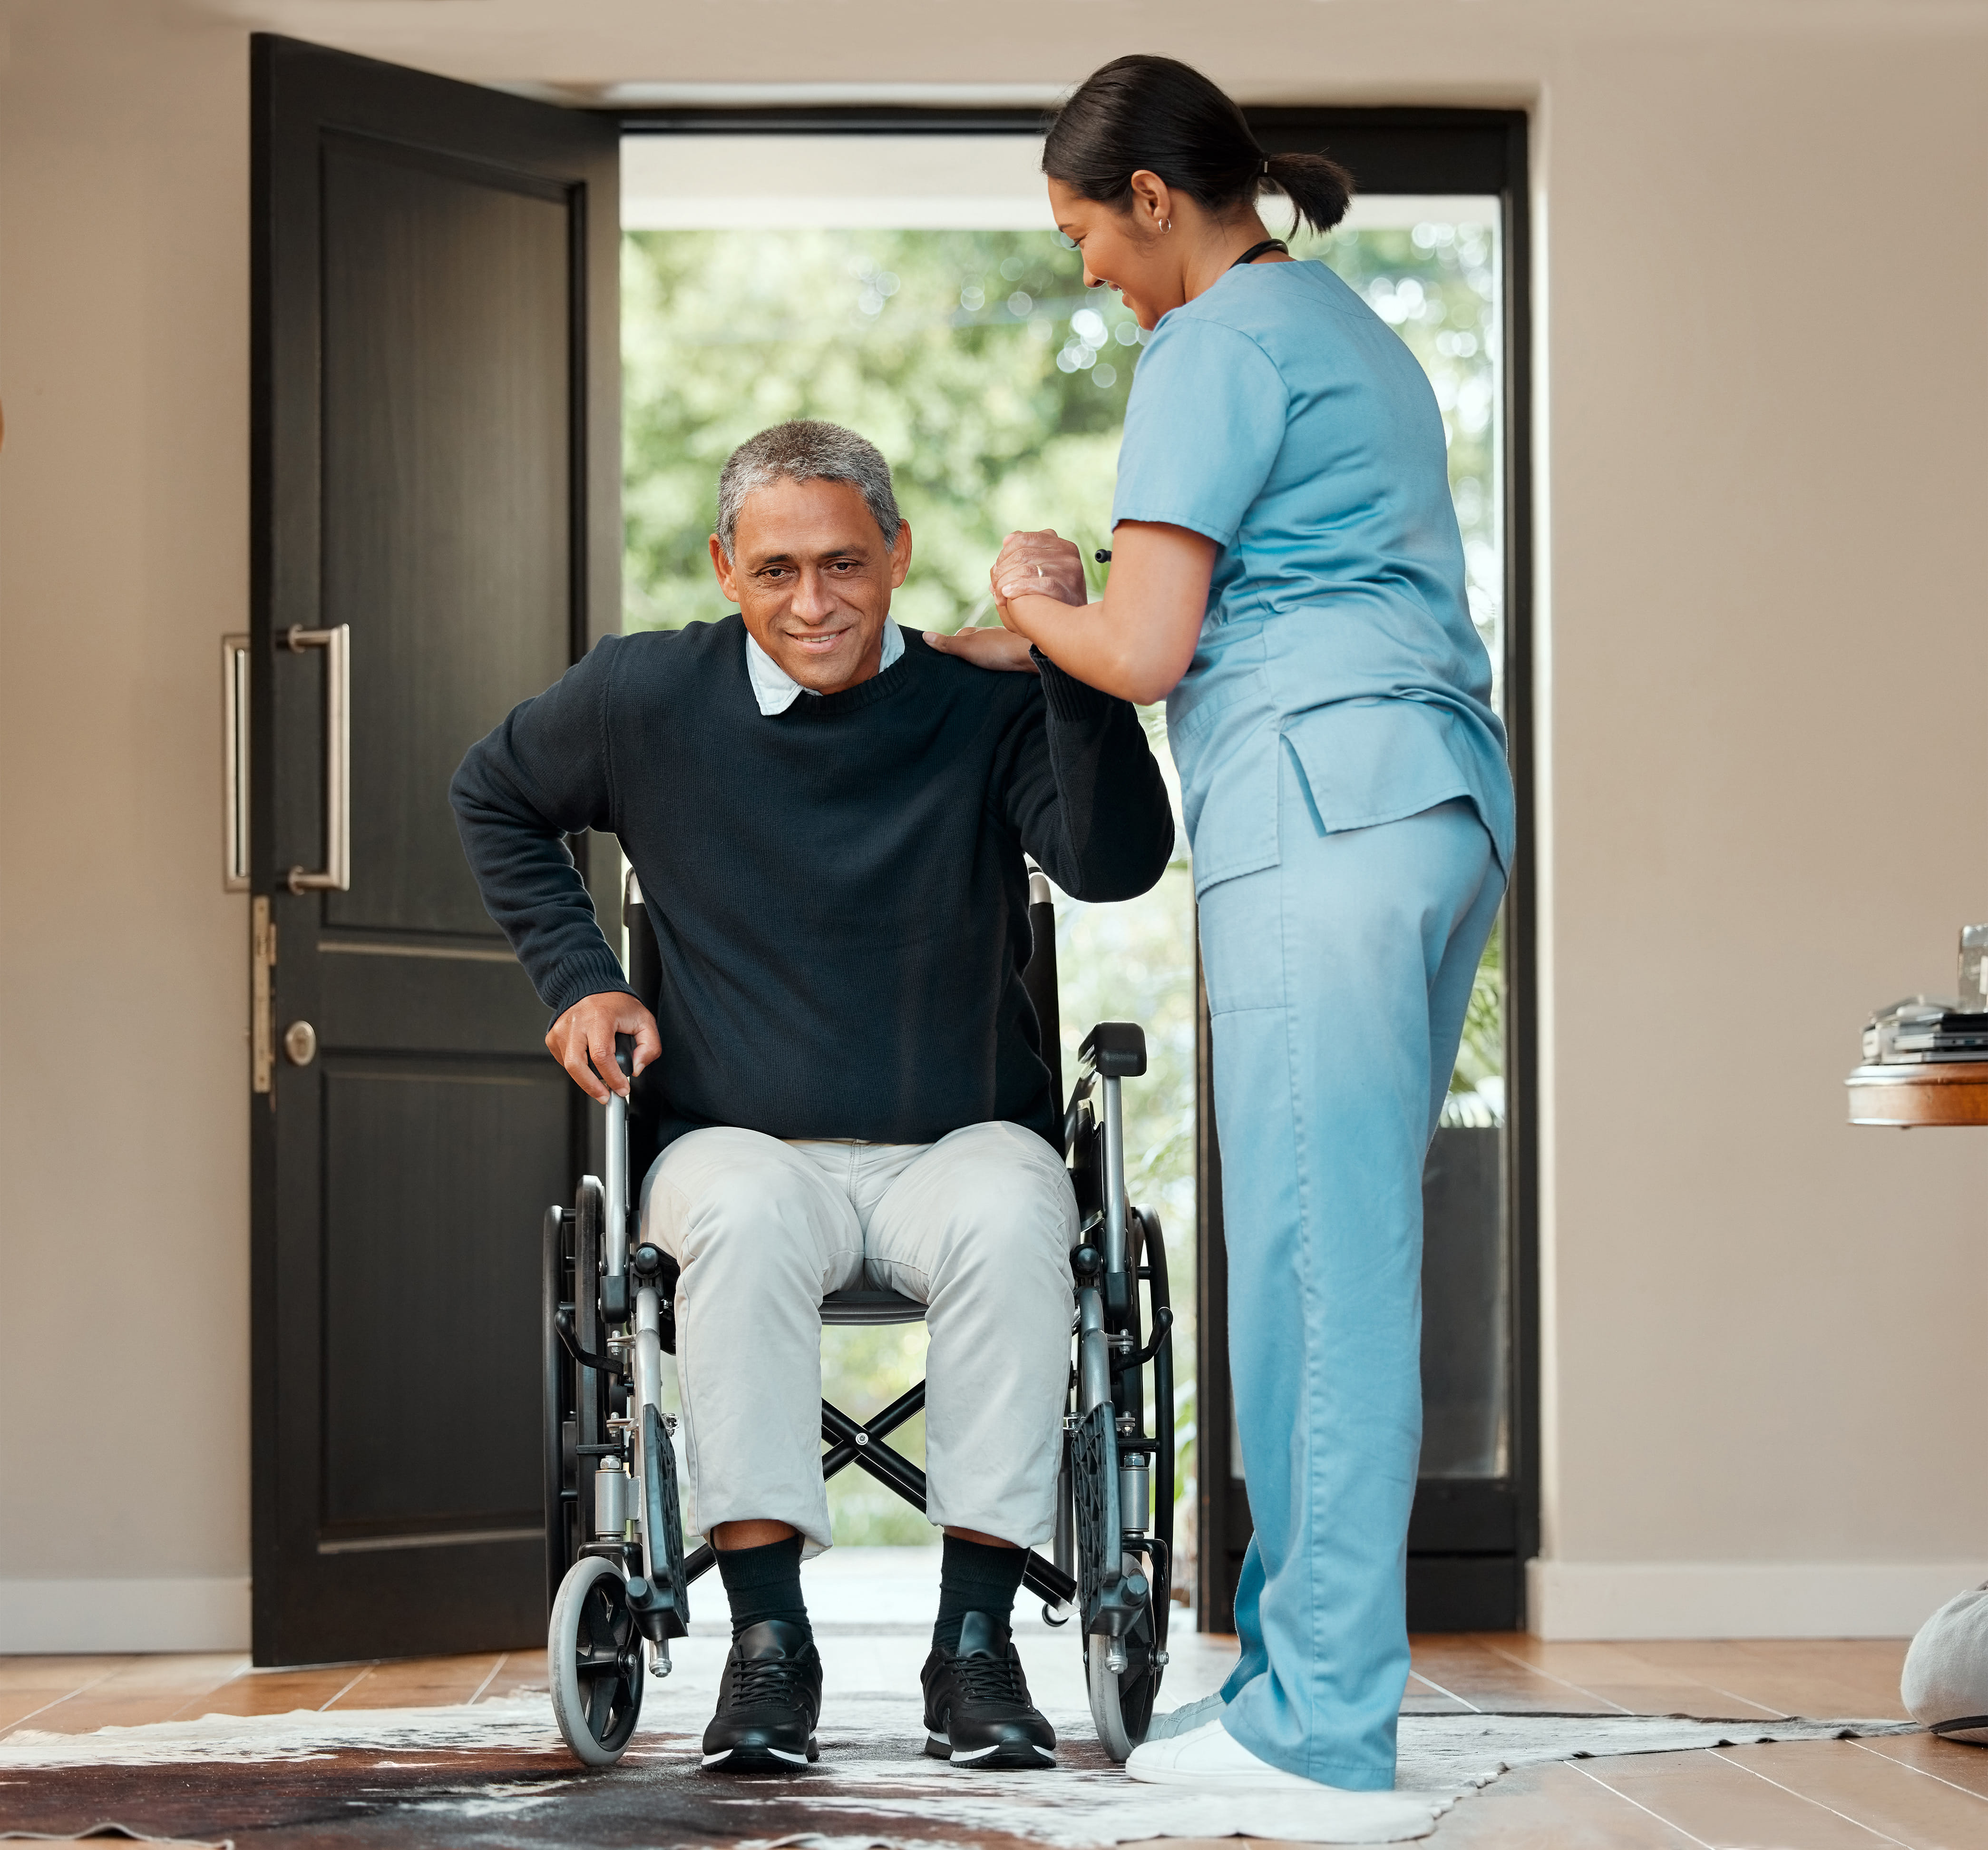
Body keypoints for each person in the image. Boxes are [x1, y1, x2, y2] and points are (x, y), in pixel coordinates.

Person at [932, 56, 1516, 1795]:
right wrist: (1022, 639)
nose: (1086, 275)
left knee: (1314, 1268)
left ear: (1154, 201)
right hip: (1430, 798)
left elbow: (1145, 650)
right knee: (1328, 1255)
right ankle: (1288, 1679)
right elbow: (1227, 597)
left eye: (1082, 236)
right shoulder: (1340, 330)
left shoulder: (1208, 346)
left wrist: (1030, 592)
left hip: (1314, 808)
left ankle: (1316, 1723)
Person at [451, 420, 1175, 1775]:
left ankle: (975, 1645)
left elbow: (1116, 863)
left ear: (896, 554)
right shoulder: (643, 698)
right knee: (729, 1211)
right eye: (776, 568)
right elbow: (491, 792)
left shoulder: (982, 706)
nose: (813, 602)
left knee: (1025, 1210)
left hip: (955, 1140)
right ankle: (767, 1645)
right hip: (740, 1142)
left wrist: (1072, 664)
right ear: (725, 566)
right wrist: (577, 979)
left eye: (845, 563)